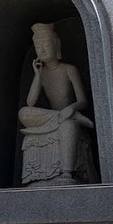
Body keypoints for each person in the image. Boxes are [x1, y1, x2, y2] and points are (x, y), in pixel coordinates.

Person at [18, 22, 95, 183]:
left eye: (45, 45)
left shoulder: (69, 69)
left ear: (56, 45)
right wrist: (38, 75)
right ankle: (74, 117)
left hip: (66, 114)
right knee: (23, 112)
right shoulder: (42, 73)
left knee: (68, 125)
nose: (42, 50)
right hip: (56, 116)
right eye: (38, 47)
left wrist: (72, 108)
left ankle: (67, 173)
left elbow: (83, 101)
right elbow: (30, 103)